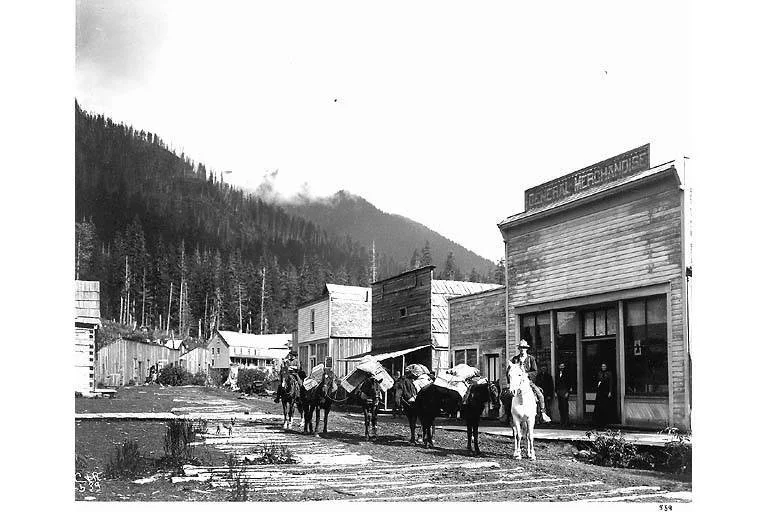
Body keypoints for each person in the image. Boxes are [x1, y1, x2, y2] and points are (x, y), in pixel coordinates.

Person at [510, 340, 551, 423]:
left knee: (540, 395)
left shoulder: (531, 359)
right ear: (519, 349)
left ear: (526, 349)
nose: (522, 349)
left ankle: (543, 414)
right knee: (507, 396)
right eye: (521, 348)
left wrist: (526, 374)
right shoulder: (515, 359)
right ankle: (508, 415)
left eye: (524, 348)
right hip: (516, 383)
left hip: (528, 382)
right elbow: (509, 370)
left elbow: (535, 371)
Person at [555, 362, 572, 427]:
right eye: (560, 366)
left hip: (565, 391)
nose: (561, 367)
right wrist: (556, 392)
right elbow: (556, 383)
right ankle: (562, 421)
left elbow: (569, 383)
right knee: (560, 407)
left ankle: (566, 422)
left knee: (565, 407)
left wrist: (568, 392)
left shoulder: (567, 374)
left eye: (563, 366)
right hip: (559, 392)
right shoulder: (557, 374)